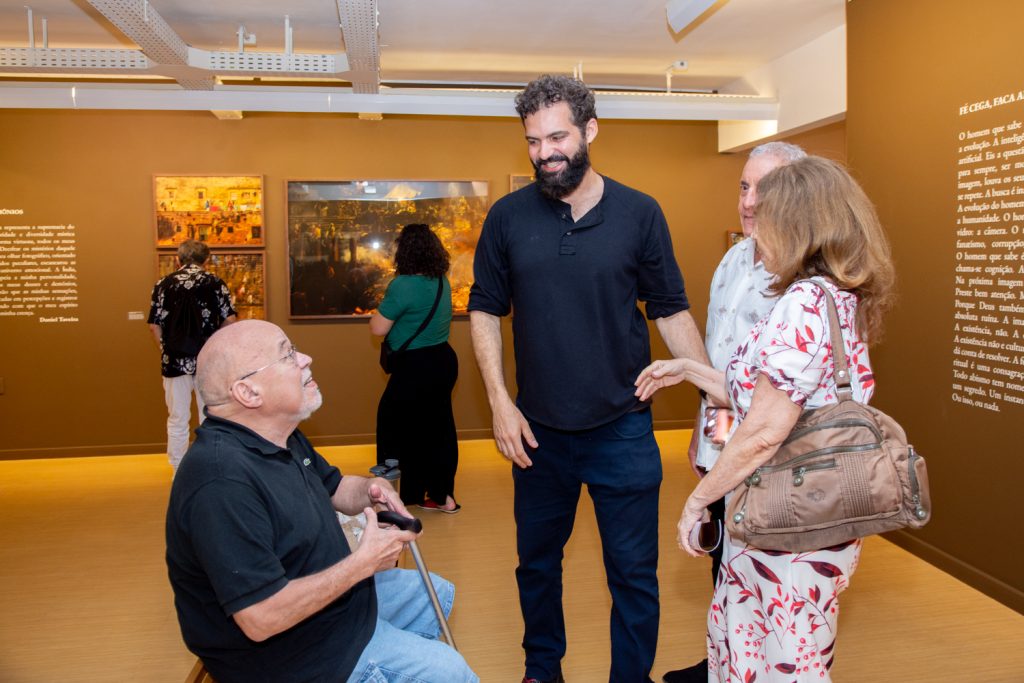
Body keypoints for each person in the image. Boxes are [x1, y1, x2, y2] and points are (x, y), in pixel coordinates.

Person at [468, 74, 709, 683]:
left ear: (590, 130)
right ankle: (541, 669)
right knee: (536, 566)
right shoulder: (507, 217)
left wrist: (713, 396)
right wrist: (499, 402)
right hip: (538, 432)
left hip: (622, 429)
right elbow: (485, 309)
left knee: (633, 573)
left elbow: (670, 309)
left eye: (557, 137)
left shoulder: (640, 213)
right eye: (533, 141)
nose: (545, 153)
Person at [636, 156, 895, 682]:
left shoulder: (802, 301)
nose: (755, 222)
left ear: (798, 225)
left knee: (779, 660)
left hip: (785, 524)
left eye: (768, 213)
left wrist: (698, 501)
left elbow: (762, 431)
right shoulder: (837, 294)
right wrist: (689, 369)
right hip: (813, 513)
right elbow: (772, 394)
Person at [166, 319, 477, 683]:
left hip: (329, 610)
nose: (305, 359)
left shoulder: (278, 434)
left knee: (434, 592)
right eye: (287, 355)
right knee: (453, 673)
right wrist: (362, 563)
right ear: (248, 393)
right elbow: (261, 618)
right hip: (295, 657)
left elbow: (335, 487)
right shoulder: (221, 482)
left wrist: (371, 489)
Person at [662, 142, 807, 683]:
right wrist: (701, 440)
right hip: (723, 445)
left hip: (773, 459)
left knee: (769, 576)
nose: (748, 201)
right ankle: (723, 660)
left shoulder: (804, 279)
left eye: (763, 189)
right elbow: (718, 362)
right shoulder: (735, 259)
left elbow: (775, 398)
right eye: (744, 186)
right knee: (724, 560)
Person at [371, 223, 461, 513]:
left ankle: (401, 495)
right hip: (443, 361)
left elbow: (377, 328)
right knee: (438, 428)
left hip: (415, 366)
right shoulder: (441, 281)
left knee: (394, 426)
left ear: (404, 252)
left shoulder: (402, 285)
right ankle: (442, 496)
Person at [148, 239, 236, 470]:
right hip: (209, 361)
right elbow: (229, 320)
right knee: (210, 417)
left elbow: (154, 326)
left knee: (177, 418)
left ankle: (179, 470)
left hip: (174, 361)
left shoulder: (163, 284)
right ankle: (210, 467)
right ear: (205, 260)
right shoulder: (215, 283)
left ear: (178, 259)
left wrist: (166, 351)